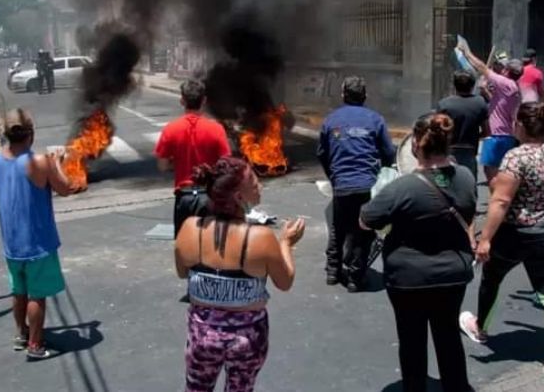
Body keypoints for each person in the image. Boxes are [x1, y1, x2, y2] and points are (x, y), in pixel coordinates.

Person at [459, 102, 544, 380]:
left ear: (523, 127)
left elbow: (501, 200)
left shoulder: (516, 157)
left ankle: (480, 327)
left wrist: (486, 239)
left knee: (492, 276)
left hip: (517, 232)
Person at [360, 113, 476, 392]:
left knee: (412, 341)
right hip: (453, 273)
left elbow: (366, 219)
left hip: (408, 278)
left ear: (415, 147)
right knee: (448, 336)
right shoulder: (467, 177)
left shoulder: (402, 187)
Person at [175, 157, 305, 392]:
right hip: (247, 336)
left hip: (202, 333)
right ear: (238, 197)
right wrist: (286, 242)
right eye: (255, 184)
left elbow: (182, 272)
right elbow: (285, 282)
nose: (260, 187)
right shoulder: (260, 237)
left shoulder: (190, 228)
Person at [0, 109, 71, 359]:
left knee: (19, 291)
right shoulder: (39, 162)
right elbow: (65, 188)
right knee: (37, 296)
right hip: (37, 242)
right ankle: (35, 345)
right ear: (31, 133)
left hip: (11, 242)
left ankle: (21, 333)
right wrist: (57, 162)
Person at [317, 76, 396, 291]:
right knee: (364, 231)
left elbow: (322, 154)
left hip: (341, 184)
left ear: (343, 95)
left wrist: (333, 176)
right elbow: (389, 153)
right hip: (367, 186)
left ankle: (332, 272)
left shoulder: (331, 120)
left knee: (338, 227)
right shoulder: (376, 119)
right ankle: (355, 278)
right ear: (365, 96)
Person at [154, 79, 231, 236]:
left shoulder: (170, 129)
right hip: (209, 196)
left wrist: (176, 164)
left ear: (182, 100)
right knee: (211, 248)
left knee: (185, 249)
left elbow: (162, 165)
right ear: (204, 100)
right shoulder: (216, 129)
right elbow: (226, 165)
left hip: (184, 197)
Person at [458, 43, 523, 183]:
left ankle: (497, 197)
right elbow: (497, 102)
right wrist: (485, 90)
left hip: (497, 135)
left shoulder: (505, 82)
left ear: (507, 71)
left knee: (490, 170)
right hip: (506, 134)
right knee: (500, 169)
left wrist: (467, 53)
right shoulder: (514, 87)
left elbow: (482, 67)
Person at [438, 70, 489, 182]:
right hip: (469, 152)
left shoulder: (444, 104)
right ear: (472, 85)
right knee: (469, 188)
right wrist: (475, 136)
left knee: (444, 187)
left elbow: (437, 131)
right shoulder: (480, 103)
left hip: (447, 151)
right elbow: (487, 131)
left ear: (454, 85)